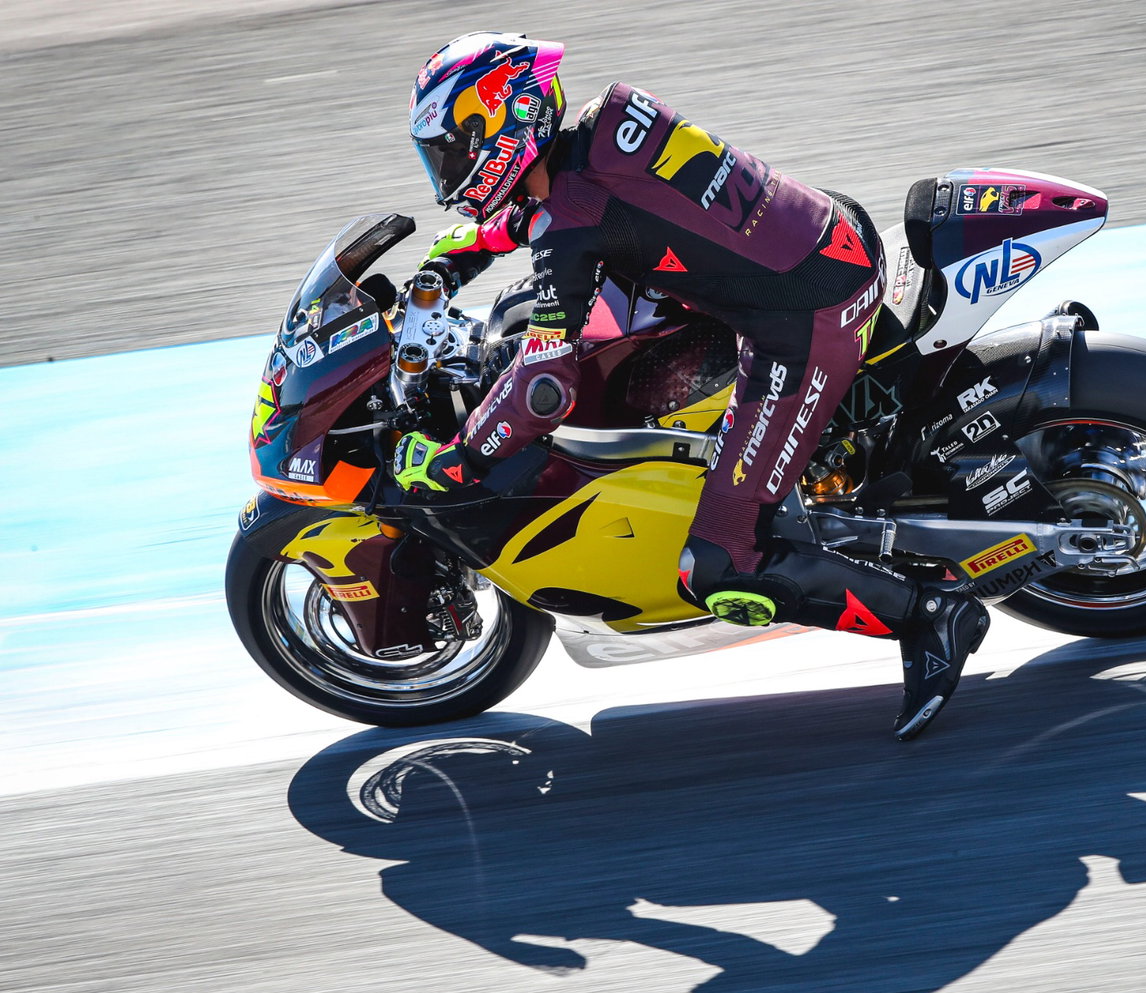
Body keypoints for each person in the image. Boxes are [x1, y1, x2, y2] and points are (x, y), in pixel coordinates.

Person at [394, 32, 988, 738]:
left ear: (505, 124)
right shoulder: (608, 116)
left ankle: (930, 613)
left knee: (720, 562)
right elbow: (601, 207)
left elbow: (542, 389)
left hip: (804, 322)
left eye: (456, 150)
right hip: (819, 234)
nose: (451, 171)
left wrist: (458, 460)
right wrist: (465, 252)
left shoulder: (570, 221)